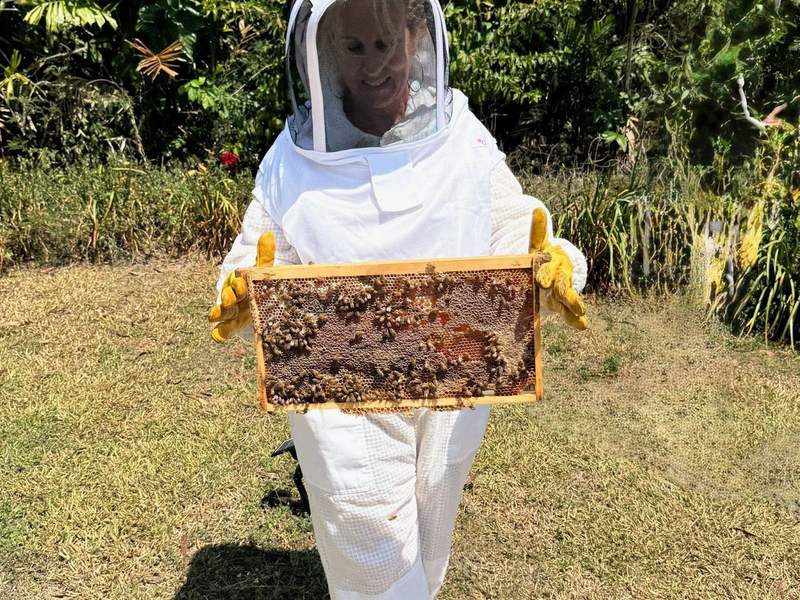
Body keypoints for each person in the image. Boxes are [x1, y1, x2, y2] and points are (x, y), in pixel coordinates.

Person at [208, 0, 588, 597]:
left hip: (452, 376)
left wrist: (554, 259)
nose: (375, 65)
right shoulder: (292, 158)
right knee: (368, 534)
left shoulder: (461, 134)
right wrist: (242, 286)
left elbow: (510, 219)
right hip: (338, 389)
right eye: (356, 47)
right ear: (326, 53)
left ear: (415, 40)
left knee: (432, 516)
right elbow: (260, 244)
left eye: (386, 44)